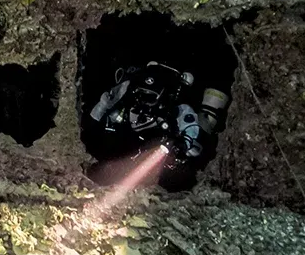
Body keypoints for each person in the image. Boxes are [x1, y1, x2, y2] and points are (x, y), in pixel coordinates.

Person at [86, 60, 230, 191]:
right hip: (132, 148)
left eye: (149, 97)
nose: (142, 102)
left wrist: (182, 146)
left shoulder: (178, 110)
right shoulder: (126, 99)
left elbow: (192, 135)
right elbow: (99, 115)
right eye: (141, 95)